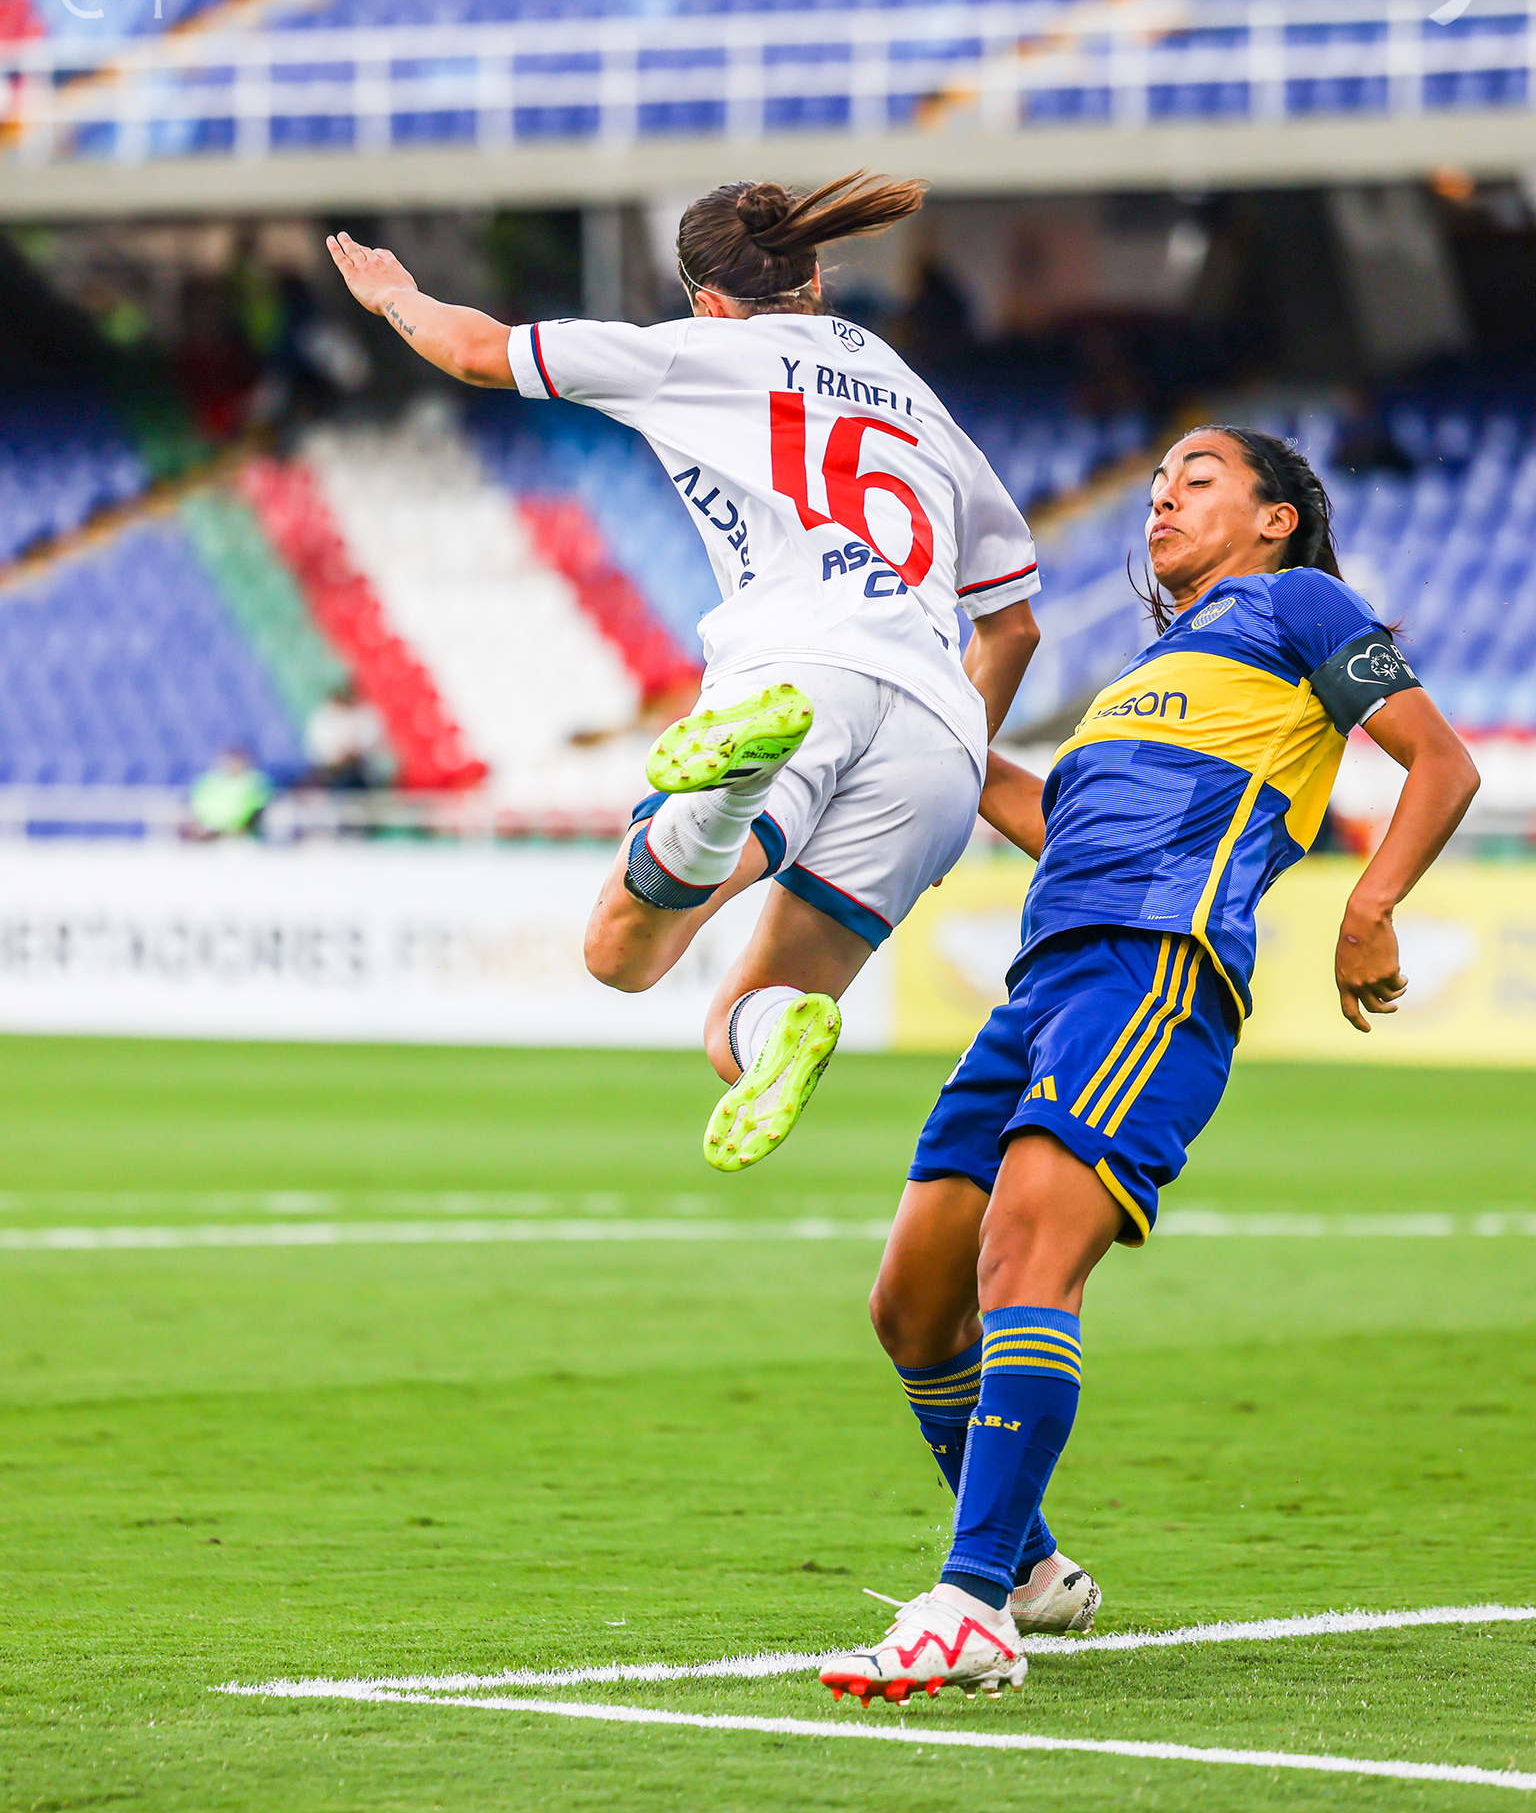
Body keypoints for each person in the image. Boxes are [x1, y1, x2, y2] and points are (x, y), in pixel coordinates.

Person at [819, 425, 1481, 1704]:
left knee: (1025, 1254)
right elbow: (1056, 819)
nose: (1163, 497)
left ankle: (969, 1605)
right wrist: (925, 743)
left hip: (1155, 965)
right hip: (1042, 983)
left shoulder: (1300, 604)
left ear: (1275, 517)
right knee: (912, 1303)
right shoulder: (1144, 673)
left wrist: (1370, 906)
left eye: (1199, 478)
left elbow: (1440, 763)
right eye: (1159, 481)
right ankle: (1028, 1569)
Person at [326, 175, 1042, 1171]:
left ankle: (733, 791)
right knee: (743, 1017)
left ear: (706, 299)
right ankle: (776, 1022)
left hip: (798, 667)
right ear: (815, 280)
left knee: (621, 954)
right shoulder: (916, 397)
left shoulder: (694, 352)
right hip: (940, 730)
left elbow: (477, 351)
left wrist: (395, 296)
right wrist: (959, 749)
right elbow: (1013, 627)